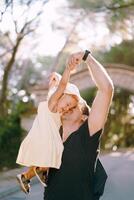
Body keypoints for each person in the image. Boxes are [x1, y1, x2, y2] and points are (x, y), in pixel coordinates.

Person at [44, 50, 114, 200]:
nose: (67, 108)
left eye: (73, 106)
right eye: (65, 104)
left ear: (83, 116)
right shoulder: (54, 133)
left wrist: (86, 56)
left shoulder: (88, 133)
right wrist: (55, 86)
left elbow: (106, 89)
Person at [16, 67, 85, 194]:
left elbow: (54, 92)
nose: (67, 109)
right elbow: (63, 85)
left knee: (53, 153)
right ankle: (40, 170)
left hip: (45, 136)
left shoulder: (54, 102)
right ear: (62, 95)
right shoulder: (53, 102)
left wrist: (52, 85)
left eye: (70, 108)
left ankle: (27, 176)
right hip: (44, 136)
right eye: (68, 104)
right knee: (56, 151)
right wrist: (67, 70)